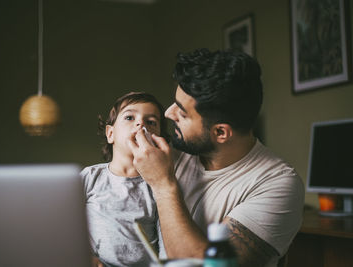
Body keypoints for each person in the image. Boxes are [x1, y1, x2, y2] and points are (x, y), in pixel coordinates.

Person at [128, 49, 305, 267]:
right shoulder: (172, 152)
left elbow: (205, 265)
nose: (168, 113)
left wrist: (163, 185)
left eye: (182, 113)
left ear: (220, 132)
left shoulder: (278, 185)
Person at [81, 92, 167, 267]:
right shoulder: (90, 178)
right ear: (110, 134)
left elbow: (166, 244)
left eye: (151, 122)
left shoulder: (158, 185)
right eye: (129, 117)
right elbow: (64, 227)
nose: (140, 123)